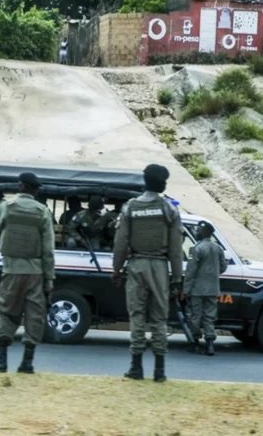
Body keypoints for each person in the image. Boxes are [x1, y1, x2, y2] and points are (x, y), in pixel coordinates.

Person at [111, 164, 184, 383]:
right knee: (159, 318)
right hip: (160, 267)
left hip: (136, 265)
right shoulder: (169, 209)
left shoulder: (130, 208)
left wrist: (116, 269)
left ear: (145, 182)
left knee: (137, 316)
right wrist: (177, 278)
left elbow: (121, 242)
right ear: (162, 184)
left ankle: (136, 367)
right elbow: (175, 248)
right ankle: (159, 371)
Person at [0, 173, 56, 374]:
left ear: (20, 186)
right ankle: (27, 362)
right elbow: (48, 250)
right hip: (35, 272)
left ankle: (1, 360)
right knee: (34, 315)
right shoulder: (43, 212)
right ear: (35, 190)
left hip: (10, 269)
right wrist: (49, 278)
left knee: (6, 311)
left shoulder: (5, 207)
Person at [185, 221, 228, 356]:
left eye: (198, 230)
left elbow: (191, 271)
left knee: (195, 316)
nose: (196, 232)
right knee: (209, 317)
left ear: (204, 232)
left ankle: (195, 342)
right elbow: (223, 267)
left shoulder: (196, 249)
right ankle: (210, 344)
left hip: (197, 290)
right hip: (213, 289)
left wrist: (186, 290)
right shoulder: (218, 248)